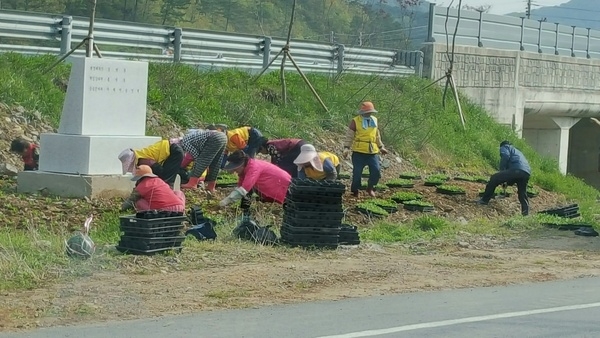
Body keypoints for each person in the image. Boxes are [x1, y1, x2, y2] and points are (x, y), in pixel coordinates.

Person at [343, 101, 388, 197]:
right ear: (362, 112)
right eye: (367, 112)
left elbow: (376, 135)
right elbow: (349, 136)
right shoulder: (355, 121)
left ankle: (370, 187)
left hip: (372, 151)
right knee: (357, 172)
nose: (369, 113)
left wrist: (381, 147)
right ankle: (355, 190)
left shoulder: (374, 120)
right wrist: (346, 148)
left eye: (370, 112)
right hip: (359, 151)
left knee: (376, 170)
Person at [219, 150, 291, 207]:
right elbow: (240, 186)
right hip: (273, 183)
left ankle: (246, 210)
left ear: (241, 165)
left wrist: (225, 201)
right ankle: (245, 209)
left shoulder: (253, 168)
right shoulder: (245, 170)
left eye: (236, 169)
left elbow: (244, 189)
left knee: (289, 203)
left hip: (283, 184)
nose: (235, 171)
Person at [476, 140, 532, 216]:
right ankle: (525, 213)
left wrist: (501, 171)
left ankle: (484, 200)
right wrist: (506, 181)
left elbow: (505, 156)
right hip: (526, 172)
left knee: (494, 178)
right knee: (522, 192)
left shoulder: (505, 147)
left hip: (516, 169)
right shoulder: (517, 151)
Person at [118, 138, 184, 185]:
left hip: (175, 151)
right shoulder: (141, 156)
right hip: (173, 148)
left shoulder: (143, 161)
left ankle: (169, 197)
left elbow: (159, 170)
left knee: (166, 180)